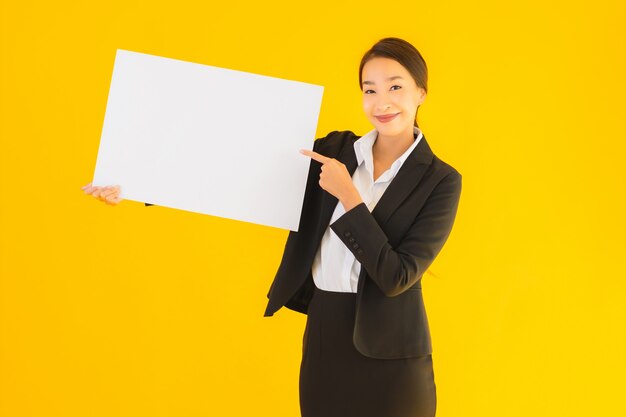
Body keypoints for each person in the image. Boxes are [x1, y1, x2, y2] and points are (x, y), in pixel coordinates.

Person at [81, 37, 462, 417]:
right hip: (325, 336)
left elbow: (397, 276)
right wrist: (133, 186)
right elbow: (241, 171)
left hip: (394, 357)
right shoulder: (333, 152)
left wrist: (349, 196)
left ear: (421, 92)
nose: (382, 102)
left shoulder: (441, 180)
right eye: (370, 89)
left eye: (396, 86)